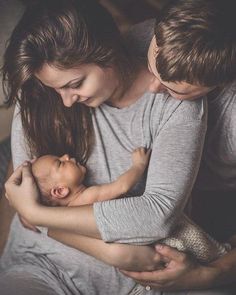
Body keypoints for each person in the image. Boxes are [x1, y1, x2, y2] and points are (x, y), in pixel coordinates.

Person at [0, 0, 208, 294]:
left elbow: (156, 216)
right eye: (57, 88)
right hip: (38, 264)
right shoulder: (40, 87)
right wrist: (111, 252)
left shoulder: (175, 96)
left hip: (132, 284)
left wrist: (38, 214)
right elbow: (25, 204)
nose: (66, 101)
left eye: (76, 83)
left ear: (107, 51)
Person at [120, 0, 236, 293]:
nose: (152, 88)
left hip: (217, 198)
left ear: (219, 83)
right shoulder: (149, 34)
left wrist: (211, 274)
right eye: (150, 67)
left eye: (173, 89)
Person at [28, 153, 228, 264]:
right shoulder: (86, 198)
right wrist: (138, 165)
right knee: (188, 235)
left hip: (139, 242)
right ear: (60, 191)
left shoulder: (63, 219)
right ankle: (218, 255)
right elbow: (121, 187)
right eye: (60, 163)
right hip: (147, 234)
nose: (66, 155)